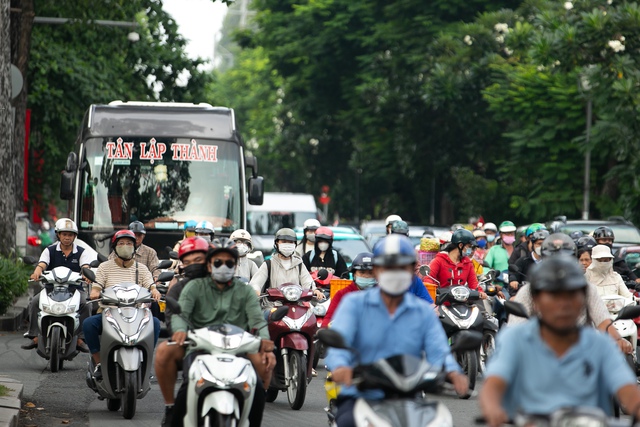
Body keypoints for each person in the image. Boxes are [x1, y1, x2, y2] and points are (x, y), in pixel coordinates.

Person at [325, 234, 468, 427]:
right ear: (376, 270)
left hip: (411, 397)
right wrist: (341, 367)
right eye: (389, 266)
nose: (396, 272)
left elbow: (439, 351)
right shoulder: (354, 305)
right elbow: (339, 344)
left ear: (412, 270)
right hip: (361, 395)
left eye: (402, 266)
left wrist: (453, 372)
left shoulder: (423, 312)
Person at [479, 256, 640, 427]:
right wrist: (493, 408)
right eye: (554, 295)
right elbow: (494, 384)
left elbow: (627, 389)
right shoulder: (516, 339)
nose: (564, 304)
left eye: (572, 295)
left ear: (582, 301)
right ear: (537, 301)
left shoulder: (600, 345)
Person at [168, 239, 276, 427]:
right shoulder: (194, 287)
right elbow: (180, 314)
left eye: (229, 263)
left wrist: (265, 341)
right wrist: (179, 331)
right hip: (200, 347)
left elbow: (257, 321)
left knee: (258, 385)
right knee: (187, 388)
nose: (223, 267)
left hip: (239, 348)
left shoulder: (246, 291)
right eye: (218, 262)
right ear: (209, 265)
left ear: (235, 267)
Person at [508, 233, 633, 354]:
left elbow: (603, 321)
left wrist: (618, 339)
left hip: (583, 354)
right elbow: (514, 331)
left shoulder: (587, 289)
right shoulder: (528, 292)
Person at [83, 230, 162, 381]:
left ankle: (145, 362)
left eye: (129, 243)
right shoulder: (105, 267)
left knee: (156, 324)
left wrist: (155, 291)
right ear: (114, 247)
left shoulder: (142, 268)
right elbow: (96, 288)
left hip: (136, 314)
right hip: (109, 312)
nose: (125, 246)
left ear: (134, 247)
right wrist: (95, 292)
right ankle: (99, 362)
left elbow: (152, 286)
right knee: (88, 324)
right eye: (121, 243)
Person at [155, 237, 210, 427]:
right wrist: (181, 332)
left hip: (227, 346)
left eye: (198, 260)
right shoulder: (177, 289)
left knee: (257, 380)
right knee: (189, 384)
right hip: (194, 346)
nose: (192, 265)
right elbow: (173, 318)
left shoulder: (222, 284)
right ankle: (171, 409)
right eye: (187, 262)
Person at [23, 218, 94, 351]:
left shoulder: (81, 251)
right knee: (34, 302)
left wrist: (86, 274)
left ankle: (80, 338)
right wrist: (36, 273)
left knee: (86, 304)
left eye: (70, 235)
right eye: (64, 234)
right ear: (58, 235)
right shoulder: (49, 250)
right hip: (51, 288)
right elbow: (42, 264)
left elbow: (85, 266)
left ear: (74, 236)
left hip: (75, 289)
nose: (67, 237)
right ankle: (35, 335)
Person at [249, 228, 324, 300]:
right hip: (273, 306)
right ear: (276, 243)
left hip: (296, 304)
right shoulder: (269, 264)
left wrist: (315, 290)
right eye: (284, 241)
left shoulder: (299, 264)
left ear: (295, 244)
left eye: (290, 242)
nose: (287, 245)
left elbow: (307, 282)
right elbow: (256, 282)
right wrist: (256, 290)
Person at [424, 229, 487, 299]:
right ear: (460, 245)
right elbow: (428, 279)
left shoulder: (468, 263)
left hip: (462, 302)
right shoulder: (438, 261)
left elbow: (474, 284)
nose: (472, 250)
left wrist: (481, 292)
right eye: (470, 247)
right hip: (441, 303)